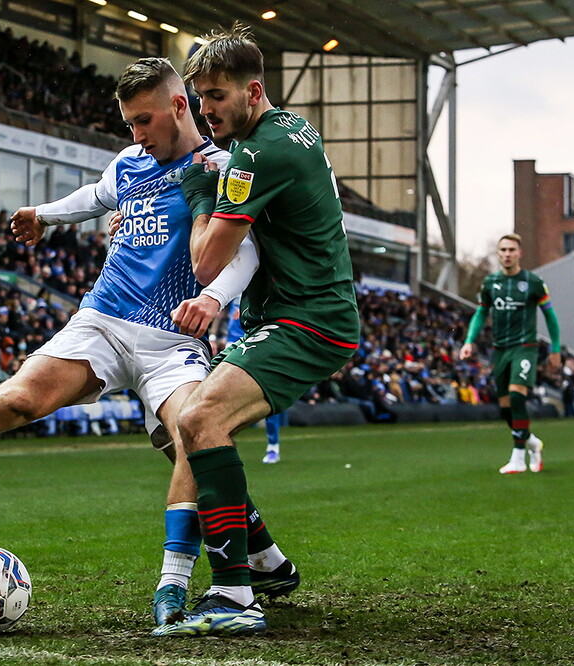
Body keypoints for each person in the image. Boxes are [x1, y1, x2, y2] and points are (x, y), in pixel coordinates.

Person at [0, 57, 298, 626]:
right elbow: (95, 196)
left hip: (171, 341)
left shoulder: (221, 168)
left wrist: (214, 298)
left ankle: (178, 584)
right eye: (129, 123)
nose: (136, 135)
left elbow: (245, 250)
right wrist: (45, 215)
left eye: (144, 121)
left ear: (180, 106)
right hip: (102, 321)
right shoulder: (130, 161)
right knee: (17, 399)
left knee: (194, 436)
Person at [154, 24, 360, 637]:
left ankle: (232, 594)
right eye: (200, 97)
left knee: (199, 420)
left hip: (308, 320)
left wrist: (200, 194)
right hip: (306, 312)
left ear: (252, 91)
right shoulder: (291, 127)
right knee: (193, 431)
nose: (206, 110)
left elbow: (206, 262)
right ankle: (267, 563)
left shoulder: (254, 154)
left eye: (217, 96)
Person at [459, 233, 561, 474]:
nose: (507, 254)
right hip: (500, 350)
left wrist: (556, 349)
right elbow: (481, 313)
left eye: (511, 250)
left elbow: (550, 316)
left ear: (519, 254)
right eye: (503, 250)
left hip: (525, 348)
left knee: (517, 396)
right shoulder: (490, 283)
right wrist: (469, 341)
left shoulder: (533, 282)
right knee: (505, 408)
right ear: (498, 254)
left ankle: (518, 458)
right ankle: (532, 442)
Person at [226, 297, 284, 463]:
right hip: (233, 340)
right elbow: (221, 310)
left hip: (259, 338)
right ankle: (221, 442)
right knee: (224, 393)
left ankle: (273, 446)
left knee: (267, 391)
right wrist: (215, 336)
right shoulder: (231, 285)